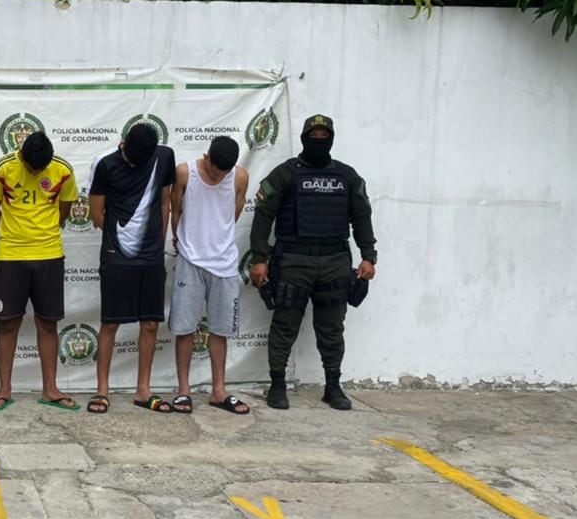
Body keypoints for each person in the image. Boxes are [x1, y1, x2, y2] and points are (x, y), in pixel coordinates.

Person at [249, 113, 377, 410]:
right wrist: (259, 258)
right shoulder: (286, 173)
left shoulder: (347, 176)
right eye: (314, 136)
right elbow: (263, 215)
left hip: (334, 260)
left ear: (331, 139)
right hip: (294, 259)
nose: (319, 141)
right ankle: (277, 384)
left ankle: (333, 386)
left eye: (324, 136)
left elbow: (362, 216)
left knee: (332, 328)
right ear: (304, 138)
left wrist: (368, 256)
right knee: (285, 325)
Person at [0, 131, 79, 411]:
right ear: (22, 154)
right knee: (8, 323)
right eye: (30, 168)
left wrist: (45, 233)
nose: (36, 172)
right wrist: (12, 233)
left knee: (48, 323)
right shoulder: (3, 169)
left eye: (41, 169)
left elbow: (65, 209)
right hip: (11, 255)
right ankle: (4, 389)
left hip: (49, 254)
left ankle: (50, 389)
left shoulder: (62, 170)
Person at [86, 122, 176, 414]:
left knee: (150, 323)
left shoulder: (164, 157)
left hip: (152, 258)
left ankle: (143, 389)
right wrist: (123, 238)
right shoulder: (105, 164)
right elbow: (96, 213)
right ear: (123, 142)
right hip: (116, 256)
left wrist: (157, 240)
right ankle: (102, 390)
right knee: (110, 323)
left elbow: (165, 199)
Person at [169, 135, 251, 415]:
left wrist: (217, 240)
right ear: (207, 158)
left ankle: (219, 390)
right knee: (184, 328)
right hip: (190, 259)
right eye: (215, 171)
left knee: (221, 329)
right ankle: (183, 390)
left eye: (224, 173)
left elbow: (233, 214)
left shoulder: (240, 177)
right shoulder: (185, 172)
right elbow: (176, 209)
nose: (219, 177)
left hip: (224, 263)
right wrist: (181, 240)